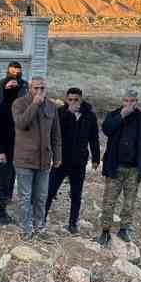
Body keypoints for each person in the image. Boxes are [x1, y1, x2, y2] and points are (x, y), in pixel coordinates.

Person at [97, 87, 141, 246]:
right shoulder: (114, 115)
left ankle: (124, 229)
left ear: (136, 102)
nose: (129, 104)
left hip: (134, 169)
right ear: (123, 101)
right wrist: (122, 115)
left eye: (132, 101)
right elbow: (107, 129)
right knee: (109, 200)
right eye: (126, 101)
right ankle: (105, 231)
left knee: (129, 202)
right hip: (115, 167)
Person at [10, 76, 62, 237]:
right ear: (29, 89)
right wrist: (34, 105)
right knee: (25, 197)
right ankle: (26, 228)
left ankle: (39, 225)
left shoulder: (52, 106)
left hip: (44, 160)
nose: (39, 91)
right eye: (36, 88)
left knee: (41, 196)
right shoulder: (19, 104)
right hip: (24, 159)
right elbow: (21, 123)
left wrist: (58, 155)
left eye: (42, 88)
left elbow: (56, 134)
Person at [46, 86, 100, 235]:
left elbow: (94, 137)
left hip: (79, 161)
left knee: (76, 194)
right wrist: (67, 114)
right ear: (66, 99)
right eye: (70, 100)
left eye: (76, 100)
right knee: (50, 190)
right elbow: (54, 133)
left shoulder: (89, 115)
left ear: (81, 99)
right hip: (61, 160)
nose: (73, 102)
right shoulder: (60, 113)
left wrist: (96, 158)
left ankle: (72, 224)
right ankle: (41, 219)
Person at [0, 61, 26, 225]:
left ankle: (5, 204)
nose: (15, 75)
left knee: (11, 175)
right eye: (12, 72)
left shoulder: (26, 87)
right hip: (3, 144)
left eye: (18, 72)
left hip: (18, 143)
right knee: (2, 177)